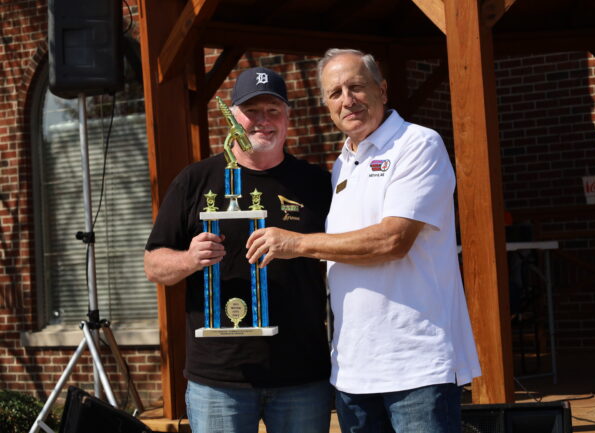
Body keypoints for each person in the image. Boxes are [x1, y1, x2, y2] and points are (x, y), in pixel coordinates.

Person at [246, 49, 481, 433]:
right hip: (354, 372)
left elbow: (393, 240)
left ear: (382, 90)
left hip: (416, 367)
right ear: (326, 105)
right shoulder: (343, 164)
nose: (347, 100)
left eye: (356, 86)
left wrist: (298, 244)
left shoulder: (418, 144)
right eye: (335, 92)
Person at [144, 66, 333, 433]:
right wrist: (190, 259)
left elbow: (347, 250)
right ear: (232, 118)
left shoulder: (317, 184)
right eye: (252, 110)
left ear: (287, 118)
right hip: (219, 380)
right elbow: (154, 265)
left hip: (302, 374)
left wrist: (301, 245)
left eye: (273, 110)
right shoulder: (195, 181)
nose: (263, 120)